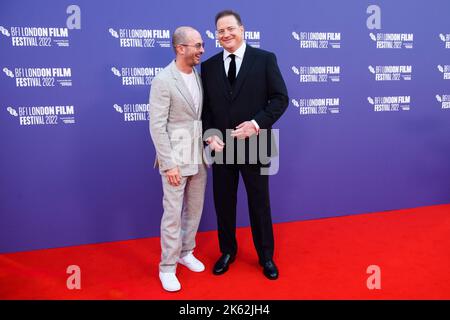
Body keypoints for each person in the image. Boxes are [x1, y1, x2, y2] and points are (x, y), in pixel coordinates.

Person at [201, 10, 289, 280]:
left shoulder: (264, 59)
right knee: (223, 203)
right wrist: (208, 134)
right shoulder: (209, 66)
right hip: (222, 146)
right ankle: (227, 251)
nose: (225, 34)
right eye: (220, 31)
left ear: (242, 29)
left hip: (255, 143)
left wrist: (256, 124)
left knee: (259, 203)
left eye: (230, 28)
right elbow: (204, 110)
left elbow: (280, 99)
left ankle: (266, 256)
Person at [149, 26, 207, 292]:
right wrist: (169, 163)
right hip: (175, 158)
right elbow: (157, 126)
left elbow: (197, 118)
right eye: (197, 45)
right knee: (172, 215)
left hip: (198, 157)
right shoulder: (163, 80)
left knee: (194, 210)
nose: (202, 50)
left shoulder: (197, 75)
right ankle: (167, 267)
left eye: (202, 45)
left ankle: (186, 252)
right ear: (180, 48)